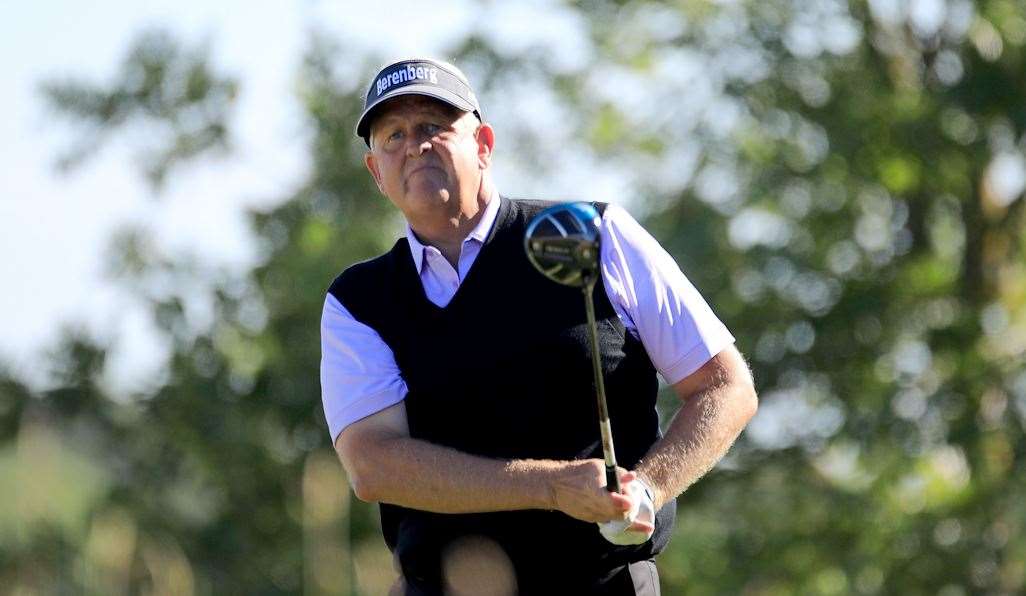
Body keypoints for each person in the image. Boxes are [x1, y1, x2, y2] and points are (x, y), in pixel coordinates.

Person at [320, 57, 758, 595]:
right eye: (394, 135)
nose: (415, 145)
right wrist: (553, 487)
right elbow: (374, 464)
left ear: (483, 143)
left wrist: (649, 487)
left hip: (604, 584)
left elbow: (724, 385)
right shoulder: (358, 300)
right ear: (376, 173)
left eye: (435, 127)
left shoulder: (592, 234)